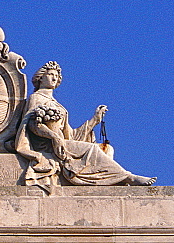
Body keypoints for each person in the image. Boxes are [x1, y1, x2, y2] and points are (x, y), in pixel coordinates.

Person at [14, 61, 156, 190]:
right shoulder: (36, 98)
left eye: (56, 76)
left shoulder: (56, 103)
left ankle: (115, 180)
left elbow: (72, 135)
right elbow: (33, 125)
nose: (54, 78)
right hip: (47, 145)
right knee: (92, 149)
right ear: (40, 77)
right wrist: (53, 137)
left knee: (107, 150)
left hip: (62, 143)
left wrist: (94, 120)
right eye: (50, 74)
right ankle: (128, 177)